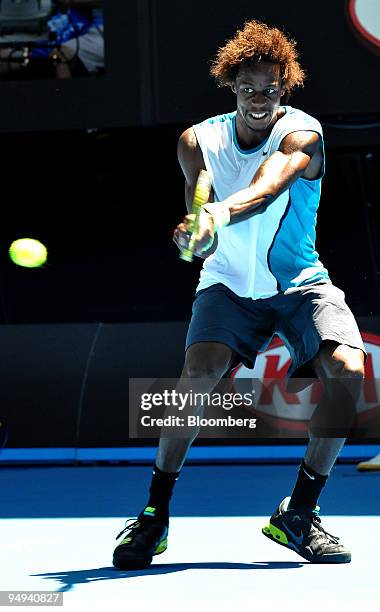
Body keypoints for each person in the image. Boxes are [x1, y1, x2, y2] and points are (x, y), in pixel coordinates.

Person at [113, 20, 366, 569]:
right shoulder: (197, 142)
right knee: (195, 379)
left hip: (300, 282)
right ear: (232, 85)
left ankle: (299, 512)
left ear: (285, 87)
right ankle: (154, 514)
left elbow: (268, 186)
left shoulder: (302, 135)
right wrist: (194, 236)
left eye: (270, 88)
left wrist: (217, 214)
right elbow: (199, 222)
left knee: (347, 370)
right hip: (227, 282)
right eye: (248, 87)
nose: (259, 98)